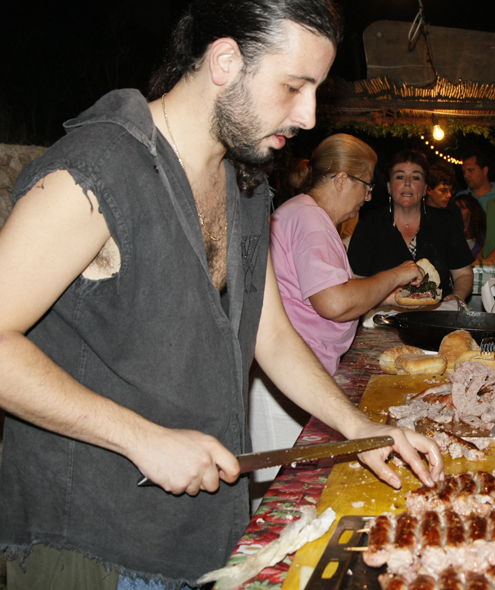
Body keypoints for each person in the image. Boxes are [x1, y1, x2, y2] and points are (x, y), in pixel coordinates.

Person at [0, 2, 443, 588]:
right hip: (93, 541)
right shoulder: (96, 168)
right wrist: (142, 438)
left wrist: (355, 426)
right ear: (226, 60)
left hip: (201, 535)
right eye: (294, 86)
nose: (309, 115)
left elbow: (271, 332)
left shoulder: (248, 186)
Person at [249, 134, 427, 501]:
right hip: (287, 381)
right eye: (366, 186)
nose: (367, 196)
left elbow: (332, 287)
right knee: (286, 496)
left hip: (293, 378)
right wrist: (395, 274)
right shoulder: (311, 218)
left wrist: (381, 291)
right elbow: (334, 302)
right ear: (342, 180)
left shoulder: (303, 213)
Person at [348, 150, 475, 303]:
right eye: (400, 177)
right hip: (382, 316)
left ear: (424, 188)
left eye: (415, 177)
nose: (407, 183)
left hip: (435, 316)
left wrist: (457, 297)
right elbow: (356, 281)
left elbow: (463, 274)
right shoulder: (370, 224)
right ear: (389, 186)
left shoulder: (445, 222)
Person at [454, 192, 486, 258]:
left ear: (471, 211)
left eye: (462, 208)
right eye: (455, 207)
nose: (457, 211)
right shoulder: (448, 234)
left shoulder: (483, 237)